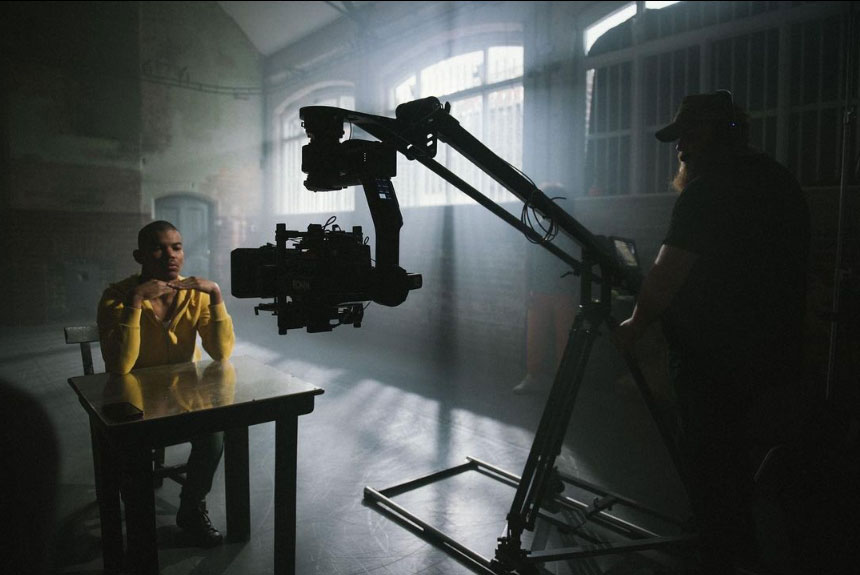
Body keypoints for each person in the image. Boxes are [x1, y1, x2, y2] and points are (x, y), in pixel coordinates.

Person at [612, 91, 810, 574]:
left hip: (714, 360)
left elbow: (667, 272)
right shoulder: (780, 180)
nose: (680, 149)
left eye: (689, 136)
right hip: (779, 352)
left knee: (712, 464)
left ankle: (722, 552)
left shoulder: (705, 192)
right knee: (745, 460)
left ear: (720, 134)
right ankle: (738, 540)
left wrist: (633, 326)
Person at [97, 220, 235, 547]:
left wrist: (215, 295)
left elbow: (220, 352)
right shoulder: (116, 297)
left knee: (215, 432)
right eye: (158, 247)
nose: (170, 255)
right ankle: (138, 521)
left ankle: (191, 509)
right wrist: (135, 302)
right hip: (135, 405)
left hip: (184, 401)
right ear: (139, 255)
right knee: (132, 450)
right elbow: (119, 365)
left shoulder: (195, 294)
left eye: (177, 247)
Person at [513, 184, 578, 394]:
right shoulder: (537, 228)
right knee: (535, 337)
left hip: (564, 292)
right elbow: (528, 262)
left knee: (565, 339)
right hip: (541, 290)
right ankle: (533, 375)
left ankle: (562, 381)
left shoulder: (570, 229)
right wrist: (526, 291)